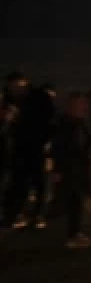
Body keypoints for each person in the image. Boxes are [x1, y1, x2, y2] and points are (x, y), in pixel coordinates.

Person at [2, 73, 55, 229]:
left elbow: (48, 121)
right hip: (19, 147)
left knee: (38, 182)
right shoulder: (10, 99)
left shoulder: (39, 98)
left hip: (37, 146)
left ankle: (38, 215)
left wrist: (47, 142)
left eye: (14, 87)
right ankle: (14, 214)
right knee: (18, 182)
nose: (12, 90)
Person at [51, 92, 91, 249]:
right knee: (71, 201)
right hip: (70, 170)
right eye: (80, 104)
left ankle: (74, 233)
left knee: (76, 202)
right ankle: (71, 235)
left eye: (85, 104)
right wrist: (57, 169)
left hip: (77, 169)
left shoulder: (80, 123)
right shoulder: (66, 124)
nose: (84, 107)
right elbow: (60, 148)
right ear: (72, 106)